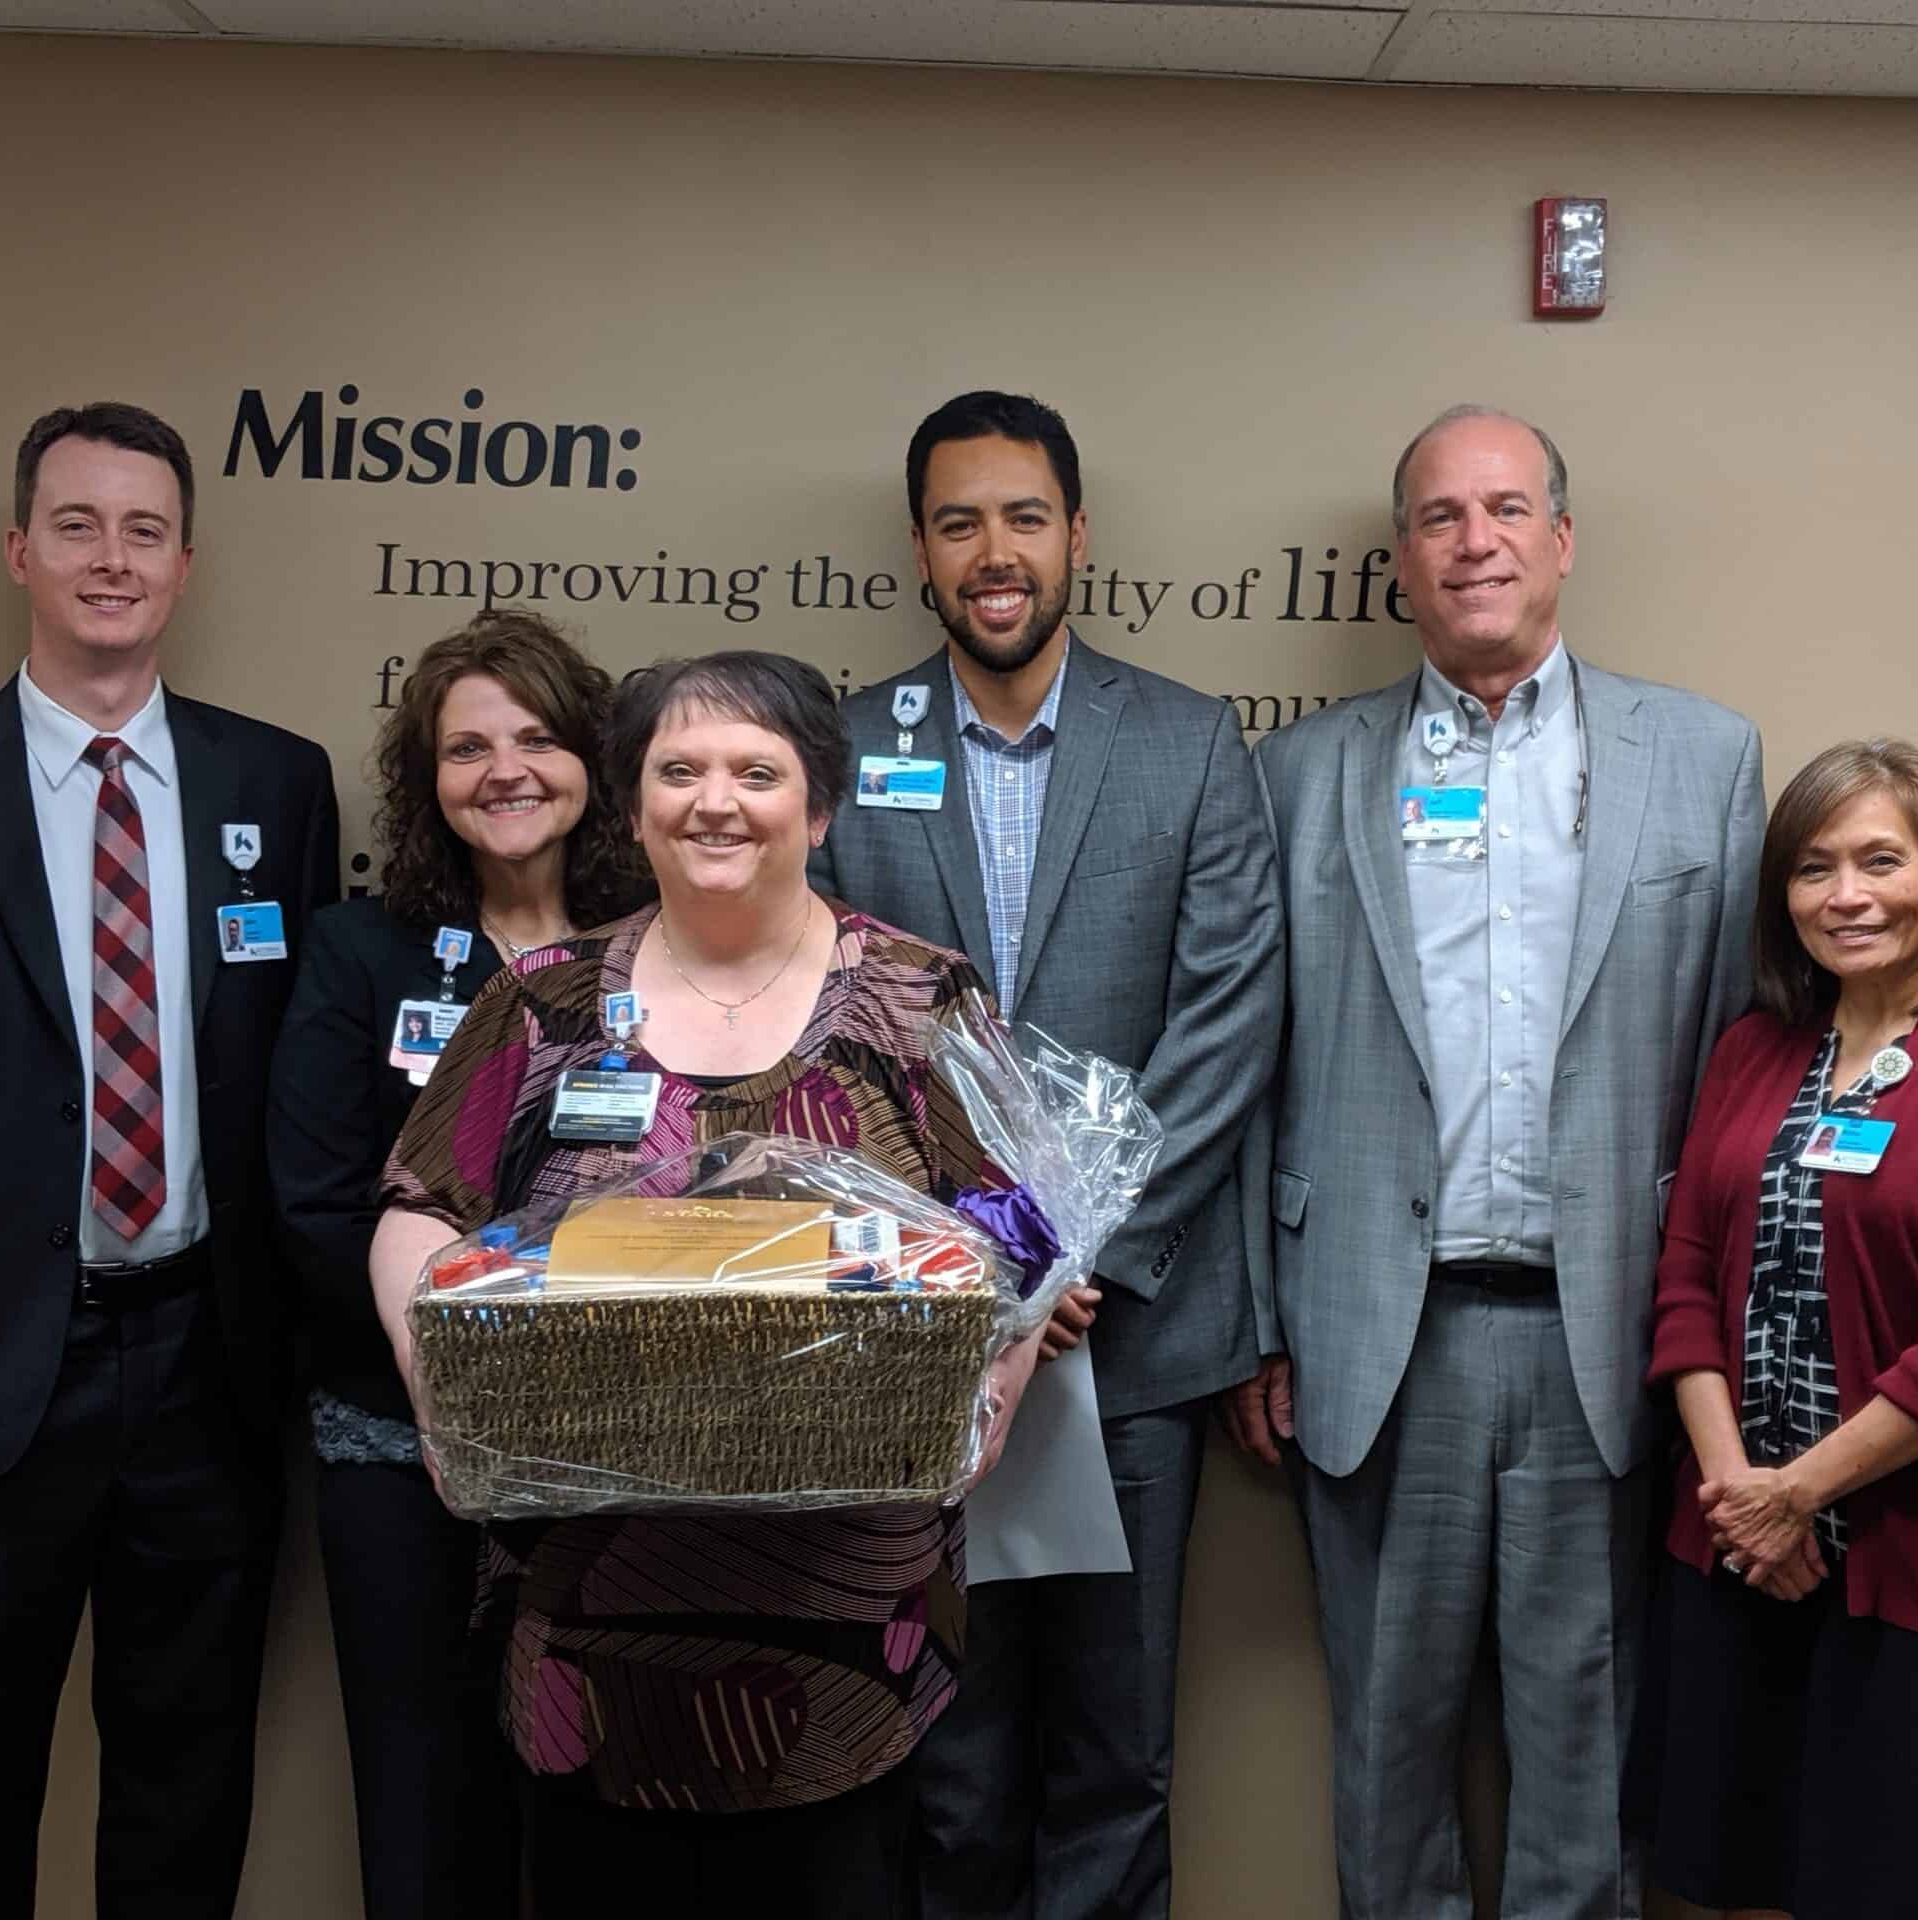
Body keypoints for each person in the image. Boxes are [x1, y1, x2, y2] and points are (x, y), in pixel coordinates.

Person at [369, 651, 1046, 1920]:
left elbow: (1021, 1231)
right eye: (677, 771)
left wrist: (988, 1401)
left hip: (843, 1613)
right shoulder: (542, 1004)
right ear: (630, 808)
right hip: (587, 1614)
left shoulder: (917, 998)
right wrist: (443, 1381)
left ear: (820, 806)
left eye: (756, 771)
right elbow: (419, 1208)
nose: (714, 801)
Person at [1225, 404, 1764, 1919]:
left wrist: (1704, 1332)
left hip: (1607, 1338)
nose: (1477, 542)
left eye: (1508, 509)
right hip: (1373, 1338)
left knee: (1585, 1754)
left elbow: (1737, 1072)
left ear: (1563, 540)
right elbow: (1259, 1060)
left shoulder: (1703, 758)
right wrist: (1263, 1321)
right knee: (1387, 1757)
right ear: (1402, 560)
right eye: (1442, 517)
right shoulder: (1301, 772)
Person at [0, 401, 338, 1917]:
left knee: (187, 1776)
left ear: (187, 563)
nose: (116, 558)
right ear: (21, 549)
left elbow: (297, 1084)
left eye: (147, 529)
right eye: (83, 525)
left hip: (205, 1356)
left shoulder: (274, 786)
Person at [812, 389, 1284, 1920]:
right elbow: (815, 1036)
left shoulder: (1190, 741)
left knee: (1114, 1756)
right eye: (960, 524)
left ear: (1079, 534)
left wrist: (1079, 1255)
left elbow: (1227, 1027)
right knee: (941, 1754)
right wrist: (981, 1259)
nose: (994, 553)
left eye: (1024, 516)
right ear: (920, 552)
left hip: (1126, 1344)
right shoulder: (840, 748)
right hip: (919, 1334)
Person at [1648, 738, 1918, 1920]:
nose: (1845, 895)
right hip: (1738, 1553)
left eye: (1880, 860)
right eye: (1812, 867)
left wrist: (1802, 1496)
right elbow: (1683, 1276)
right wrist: (1740, 1495)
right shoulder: (1752, 1049)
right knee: (1737, 1880)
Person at [265, 609, 644, 1920]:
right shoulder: (359, 955)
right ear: (427, 782)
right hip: (400, 1451)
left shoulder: (664, 951)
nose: (506, 769)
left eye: (537, 737)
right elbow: (317, 1210)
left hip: (622, 1451)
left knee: (607, 1817)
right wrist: (467, 1377)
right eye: (467, 747)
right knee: (425, 1816)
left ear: (593, 762)